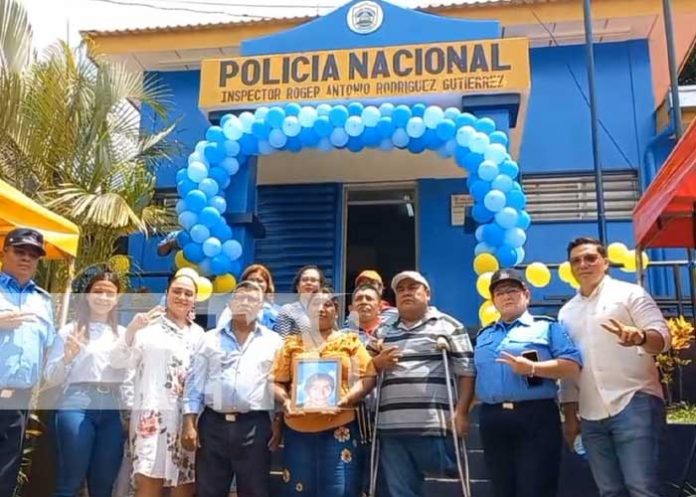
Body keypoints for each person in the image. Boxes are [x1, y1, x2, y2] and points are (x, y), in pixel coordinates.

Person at [559, 237, 671, 497]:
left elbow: (663, 339)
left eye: (590, 258)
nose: (583, 264)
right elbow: (568, 367)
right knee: (609, 491)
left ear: (605, 262)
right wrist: (570, 414)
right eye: (576, 260)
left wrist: (640, 336)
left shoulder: (630, 294)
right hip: (590, 414)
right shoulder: (566, 312)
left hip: (634, 402)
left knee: (643, 488)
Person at [471, 269, 582, 497]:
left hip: (536, 416)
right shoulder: (484, 335)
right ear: (493, 300)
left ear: (526, 294)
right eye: (500, 293)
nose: (507, 296)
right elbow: (475, 376)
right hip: (493, 417)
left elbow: (572, 365)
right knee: (501, 488)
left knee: (536, 487)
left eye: (512, 290)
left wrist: (533, 368)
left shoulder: (547, 327)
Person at [371, 271, 475, 497]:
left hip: (435, 426)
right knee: (402, 493)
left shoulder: (449, 326)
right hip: (391, 429)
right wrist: (376, 362)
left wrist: (462, 411)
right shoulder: (383, 331)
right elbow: (367, 370)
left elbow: (466, 371)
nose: (406, 292)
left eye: (413, 287)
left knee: (450, 486)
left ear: (427, 294)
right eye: (401, 289)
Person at [182, 281, 283, 497]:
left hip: (255, 426)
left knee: (255, 490)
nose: (245, 303)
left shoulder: (274, 342)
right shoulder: (209, 339)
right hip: (212, 425)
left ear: (262, 306)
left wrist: (278, 420)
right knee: (209, 491)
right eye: (240, 298)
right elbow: (194, 383)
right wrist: (189, 423)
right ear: (230, 303)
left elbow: (281, 383)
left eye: (252, 299)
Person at [272, 287, 376, 497]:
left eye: (327, 304)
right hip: (298, 430)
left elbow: (368, 377)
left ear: (336, 311)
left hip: (340, 427)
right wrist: (286, 403)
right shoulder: (292, 343)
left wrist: (345, 400)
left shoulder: (350, 342)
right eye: (315, 305)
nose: (321, 309)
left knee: (340, 490)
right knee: (297, 492)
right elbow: (275, 382)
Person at [110, 274, 204, 497]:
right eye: (177, 291)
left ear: (195, 300)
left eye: (188, 293)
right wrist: (131, 330)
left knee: (184, 483)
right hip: (151, 417)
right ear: (167, 293)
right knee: (149, 481)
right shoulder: (147, 326)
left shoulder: (199, 334)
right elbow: (118, 361)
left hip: (188, 419)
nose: (182, 297)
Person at [44, 271, 131, 497]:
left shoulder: (122, 334)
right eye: (98, 291)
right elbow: (50, 376)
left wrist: (130, 413)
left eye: (109, 293)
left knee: (103, 484)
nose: (103, 297)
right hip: (77, 401)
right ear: (87, 295)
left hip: (112, 406)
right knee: (70, 481)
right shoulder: (70, 331)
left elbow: (130, 376)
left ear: (118, 298)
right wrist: (67, 357)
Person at [0, 227, 55, 497]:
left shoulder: (43, 301)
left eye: (33, 255)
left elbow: (49, 350)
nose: (26, 258)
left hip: (19, 400)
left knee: (6, 475)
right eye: (19, 251)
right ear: (4, 253)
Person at [217, 264, 280, 330]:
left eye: (260, 281)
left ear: (267, 284)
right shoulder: (232, 309)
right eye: (251, 280)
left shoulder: (277, 311)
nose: (255, 284)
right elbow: (221, 331)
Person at [273, 265, 325, 337]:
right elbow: (281, 342)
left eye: (313, 280)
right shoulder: (288, 310)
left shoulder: (327, 311)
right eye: (304, 280)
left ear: (321, 287)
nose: (309, 283)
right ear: (297, 287)